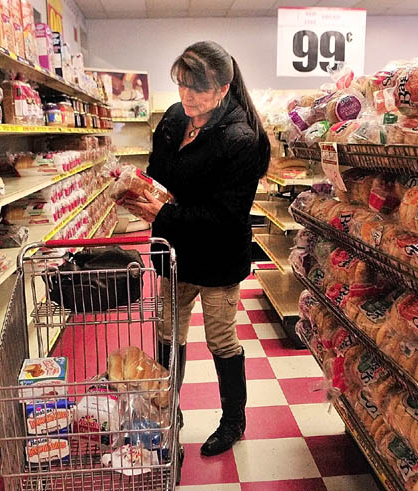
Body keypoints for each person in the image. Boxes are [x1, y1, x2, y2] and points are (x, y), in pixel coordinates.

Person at [122, 40, 270, 457]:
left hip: (218, 257)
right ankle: (170, 408)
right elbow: (158, 173)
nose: (187, 95)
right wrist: (138, 189)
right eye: (183, 84)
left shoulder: (242, 140)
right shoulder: (174, 118)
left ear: (223, 88)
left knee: (221, 338)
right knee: (168, 333)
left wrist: (162, 215)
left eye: (198, 88)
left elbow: (226, 216)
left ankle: (233, 421)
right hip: (173, 253)